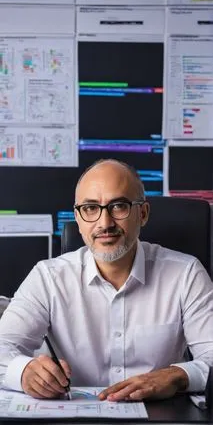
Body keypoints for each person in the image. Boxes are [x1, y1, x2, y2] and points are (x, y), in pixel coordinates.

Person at [0, 158, 212, 402]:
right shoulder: (48, 278)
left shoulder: (186, 274)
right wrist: (24, 372)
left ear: (142, 213)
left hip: (161, 416)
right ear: (78, 219)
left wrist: (177, 375)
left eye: (119, 206)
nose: (105, 223)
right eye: (90, 208)